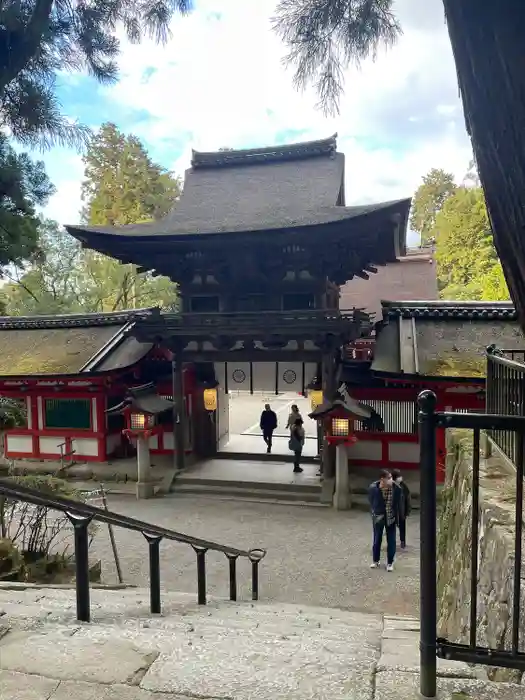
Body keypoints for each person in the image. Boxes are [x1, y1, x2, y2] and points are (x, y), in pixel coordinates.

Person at [368, 469, 402, 572]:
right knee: (377, 539)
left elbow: (398, 504)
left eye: (391, 477)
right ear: (382, 479)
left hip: (391, 517)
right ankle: (375, 560)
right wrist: (375, 512)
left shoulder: (397, 489)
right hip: (378, 517)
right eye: (389, 478)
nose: (391, 480)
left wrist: (399, 517)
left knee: (391, 540)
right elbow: (371, 500)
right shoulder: (373, 488)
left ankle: (390, 562)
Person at [391, 469, 411, 549]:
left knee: (402, 527)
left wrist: (407, 510)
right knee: (391, 528)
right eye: (399, 476)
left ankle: (403, 541)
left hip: (401, 510)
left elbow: (408, 499)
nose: (400, 478)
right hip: (393, 511)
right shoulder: (391, 486)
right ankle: (391, 542)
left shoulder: (404, 486)